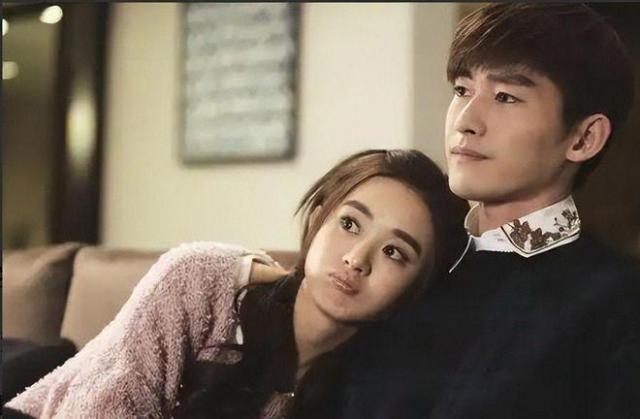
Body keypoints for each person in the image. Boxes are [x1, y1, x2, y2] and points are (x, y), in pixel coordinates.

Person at [333, 4, 640, 418]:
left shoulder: (616, 301)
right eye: (462, 90)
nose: (466, 120)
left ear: (584, 138)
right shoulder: (412, 260)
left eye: (505, 97)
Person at [4, 149, 468, 418]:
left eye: (394, 252)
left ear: (417, 286)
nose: (356, 259)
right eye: (349, 224)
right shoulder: (203, 278)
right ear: (319, 216)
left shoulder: (380, 386)